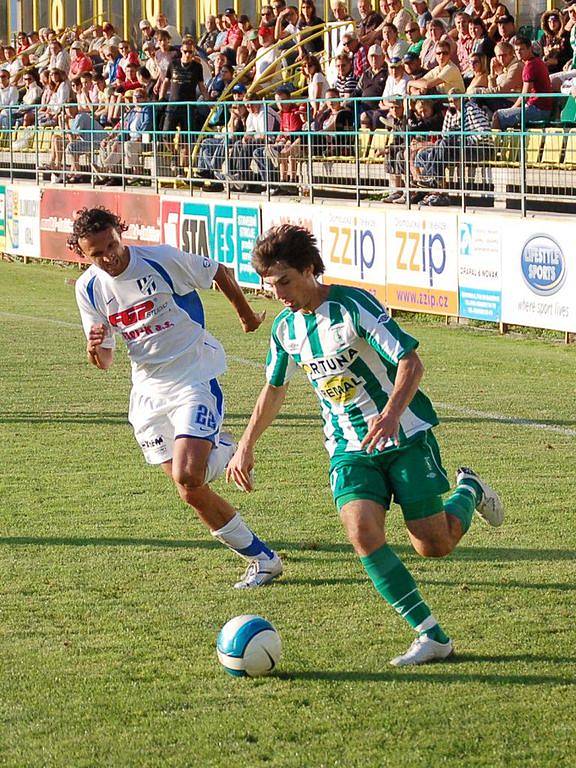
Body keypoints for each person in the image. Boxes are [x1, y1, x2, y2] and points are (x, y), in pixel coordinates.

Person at [227, 224, 504, 666]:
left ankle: (469, 489)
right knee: (361, 532)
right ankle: (431, 635)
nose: (278, 293)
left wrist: (391, 413)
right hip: (348, 448)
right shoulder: (284, 329)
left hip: (405, 436)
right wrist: (245, 444)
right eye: (269, 284)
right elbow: (273, 389)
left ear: (309, 270)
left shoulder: (352, 306)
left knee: (433, 545)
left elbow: (410, 361)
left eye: (285, 281)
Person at [71, 207, 283, 590]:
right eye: (96, 253)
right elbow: (106, 360)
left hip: (193, 375)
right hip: (148, 393)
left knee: (189, 474)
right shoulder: (88, 289)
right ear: (83, 254)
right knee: (190, 490)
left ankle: (221, 449)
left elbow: (217, 270)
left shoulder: (161, 260)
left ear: (122, 231)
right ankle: (261, 558)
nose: (109, 256)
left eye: (112, 244)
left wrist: (247, 315)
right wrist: (95, 350)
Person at [492, 36, 554, 129]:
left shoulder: (530, 65)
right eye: (516, 50)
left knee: (498, 116)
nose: (519, 52)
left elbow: (524, 95)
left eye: (522, 49)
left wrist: (512, 109)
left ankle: (491, 143)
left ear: (530, 49)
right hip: (541, 108)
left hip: (538, 110)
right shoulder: (537, 61)